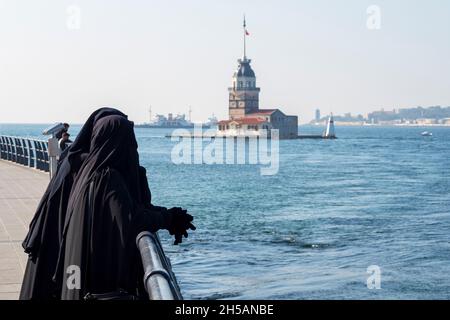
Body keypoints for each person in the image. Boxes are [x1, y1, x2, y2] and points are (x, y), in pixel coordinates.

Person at [20, 108, 195, 300]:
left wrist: (166, 215)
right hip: (92, 280)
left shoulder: (85, 170)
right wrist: (167, 218)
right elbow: (131, 219)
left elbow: (126, 208)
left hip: (73, 269)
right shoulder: (106, 177)